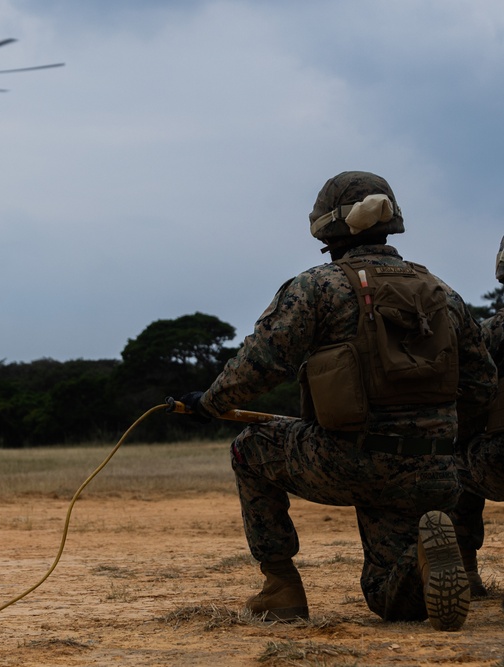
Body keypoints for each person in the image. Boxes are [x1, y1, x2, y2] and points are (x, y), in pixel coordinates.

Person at [177, 171, 496, 631]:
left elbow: (261, 362)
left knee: (248, 448)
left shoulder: (317, 287)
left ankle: (281, 587)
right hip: (435, 473)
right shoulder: (443, 293)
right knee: (386, 598)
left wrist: (210, 402)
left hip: (351, 459)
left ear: (328, 228)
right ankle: (424, 558)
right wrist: (443, 443)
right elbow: (482, 384)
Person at [449, 235, 504, 600]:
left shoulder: (493, 332)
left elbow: (468, 404)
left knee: (454, 462)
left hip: (498, 461)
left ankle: (466, 568)